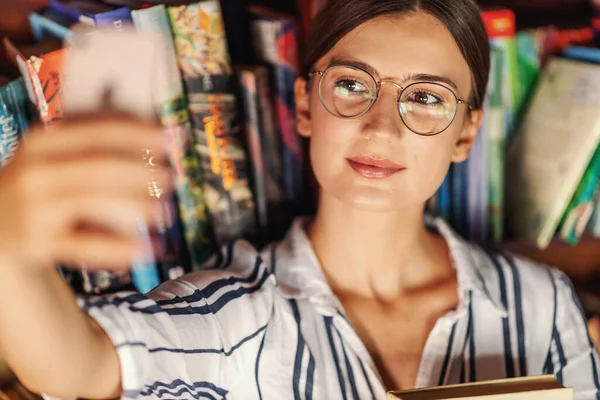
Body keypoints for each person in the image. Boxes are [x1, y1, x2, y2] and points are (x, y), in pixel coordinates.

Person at [0, 0, 599, 399]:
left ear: (466, 133)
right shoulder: (236, 316)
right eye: (350, 85)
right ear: (306, 105)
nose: (381, 127)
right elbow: (77, 367)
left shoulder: (542, 302)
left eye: (427, 97)